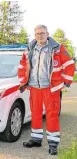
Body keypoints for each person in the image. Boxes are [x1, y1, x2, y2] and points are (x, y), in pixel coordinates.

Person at [18, 25, 75, 155]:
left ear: (47, 33)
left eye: (42, 33)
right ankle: (36, 140)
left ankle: (53, 144)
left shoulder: (57, 48)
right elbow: (22, 65)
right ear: (35, 35)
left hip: (51, 88)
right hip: (34, 87)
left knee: (52, 115)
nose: (40, 35)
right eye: (37, 33)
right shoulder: (30, 49)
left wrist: (65, 81)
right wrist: (23, 81)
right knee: (36, 114)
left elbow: (70, 64)